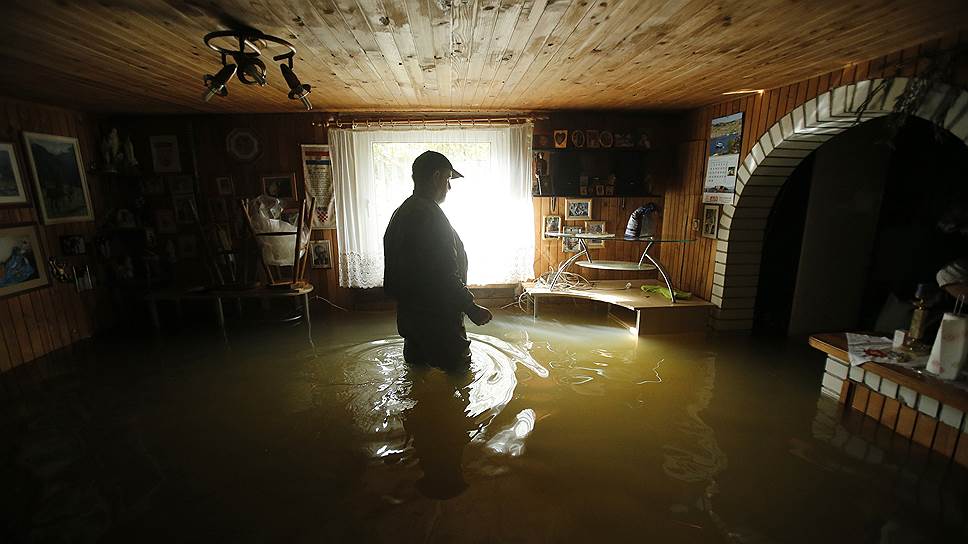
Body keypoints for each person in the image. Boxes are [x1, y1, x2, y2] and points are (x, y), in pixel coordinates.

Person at [384, 151, 492, 371]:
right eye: (448, 179)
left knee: (417, 372)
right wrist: (470, 308)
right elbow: (443, 272)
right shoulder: (431, 216)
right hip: (438, 317)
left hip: (410, 317)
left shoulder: (401, 212)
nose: (449, 187)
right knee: (460, 374)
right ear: (435, 177)